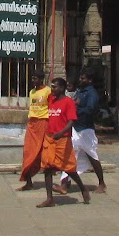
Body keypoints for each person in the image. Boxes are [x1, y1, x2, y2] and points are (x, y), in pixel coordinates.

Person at [36, 77, 91, 207]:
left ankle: (83, 188)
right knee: (47, 168)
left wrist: (61, 133)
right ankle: (49, 199)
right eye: (52, 86)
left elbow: (71, 121)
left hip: (63, 139)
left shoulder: (68, 102)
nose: (52, 89)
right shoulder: (51, 99)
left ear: (62, 88)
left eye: (55, 87)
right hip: (50, 138)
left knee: (68, 168)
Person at [58, 72, 108, 195]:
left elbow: (90, 109)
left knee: (92, 156)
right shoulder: (79, 92)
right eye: (80, 77)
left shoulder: (92, 94)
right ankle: (64, 183)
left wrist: (76, 110)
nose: (80, 80)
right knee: (70, 155)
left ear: (89, 80)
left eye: (83, 78)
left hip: (86, 129)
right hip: (75, 128)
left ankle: (101, 183)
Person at [18, 76, 51, 191]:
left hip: (43, 122)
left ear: (41, 79)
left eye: (36, 78)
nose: (33, 81)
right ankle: (28, 181)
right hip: (32, 123)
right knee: (28, 151)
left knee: (41, 152)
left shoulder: (48, 91)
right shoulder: (32, 92)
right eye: (32, 79)